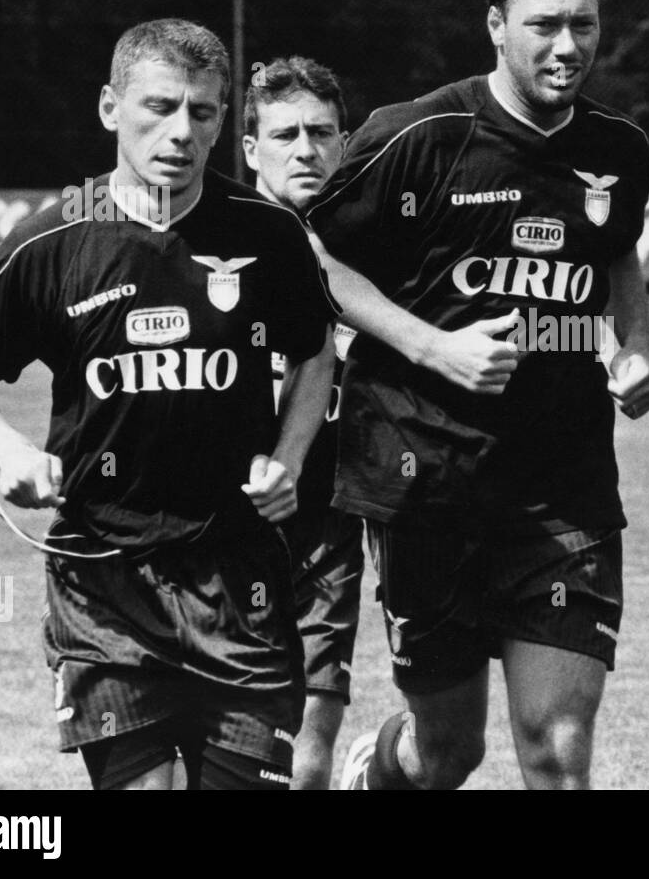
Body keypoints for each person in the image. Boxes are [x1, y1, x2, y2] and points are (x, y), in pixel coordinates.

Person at [0, 19, 339, 790]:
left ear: (223, 120)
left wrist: (289, 458)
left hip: (240, 576)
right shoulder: (52, 240)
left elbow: (313, 349)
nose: (181, 132)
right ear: (111, 108)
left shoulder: (268, 234)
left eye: (203, 112)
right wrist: (11, 452)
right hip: (104, 582)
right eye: (159, 107)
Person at [304, 0, 649, 790]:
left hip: (562, 486)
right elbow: (314, 257)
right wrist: (433, 346)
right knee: (449, 751)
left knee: (557, 749)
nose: (567, 45)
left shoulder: (617, 151)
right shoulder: (417, 137)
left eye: (583, 23)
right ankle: (378, 770)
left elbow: (616, 249)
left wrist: (636, 345)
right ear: (496, 25)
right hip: (428, 480)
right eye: (543, 25)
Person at [241, 55, 365, 789]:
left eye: (321, 132)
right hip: (223, 521)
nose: (305, 149)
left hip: (330, 516)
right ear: (251, 149)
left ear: (344, 142)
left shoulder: (374, 248)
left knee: (310, 732)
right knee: (231, 736)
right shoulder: (210, 244)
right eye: (284, 134)